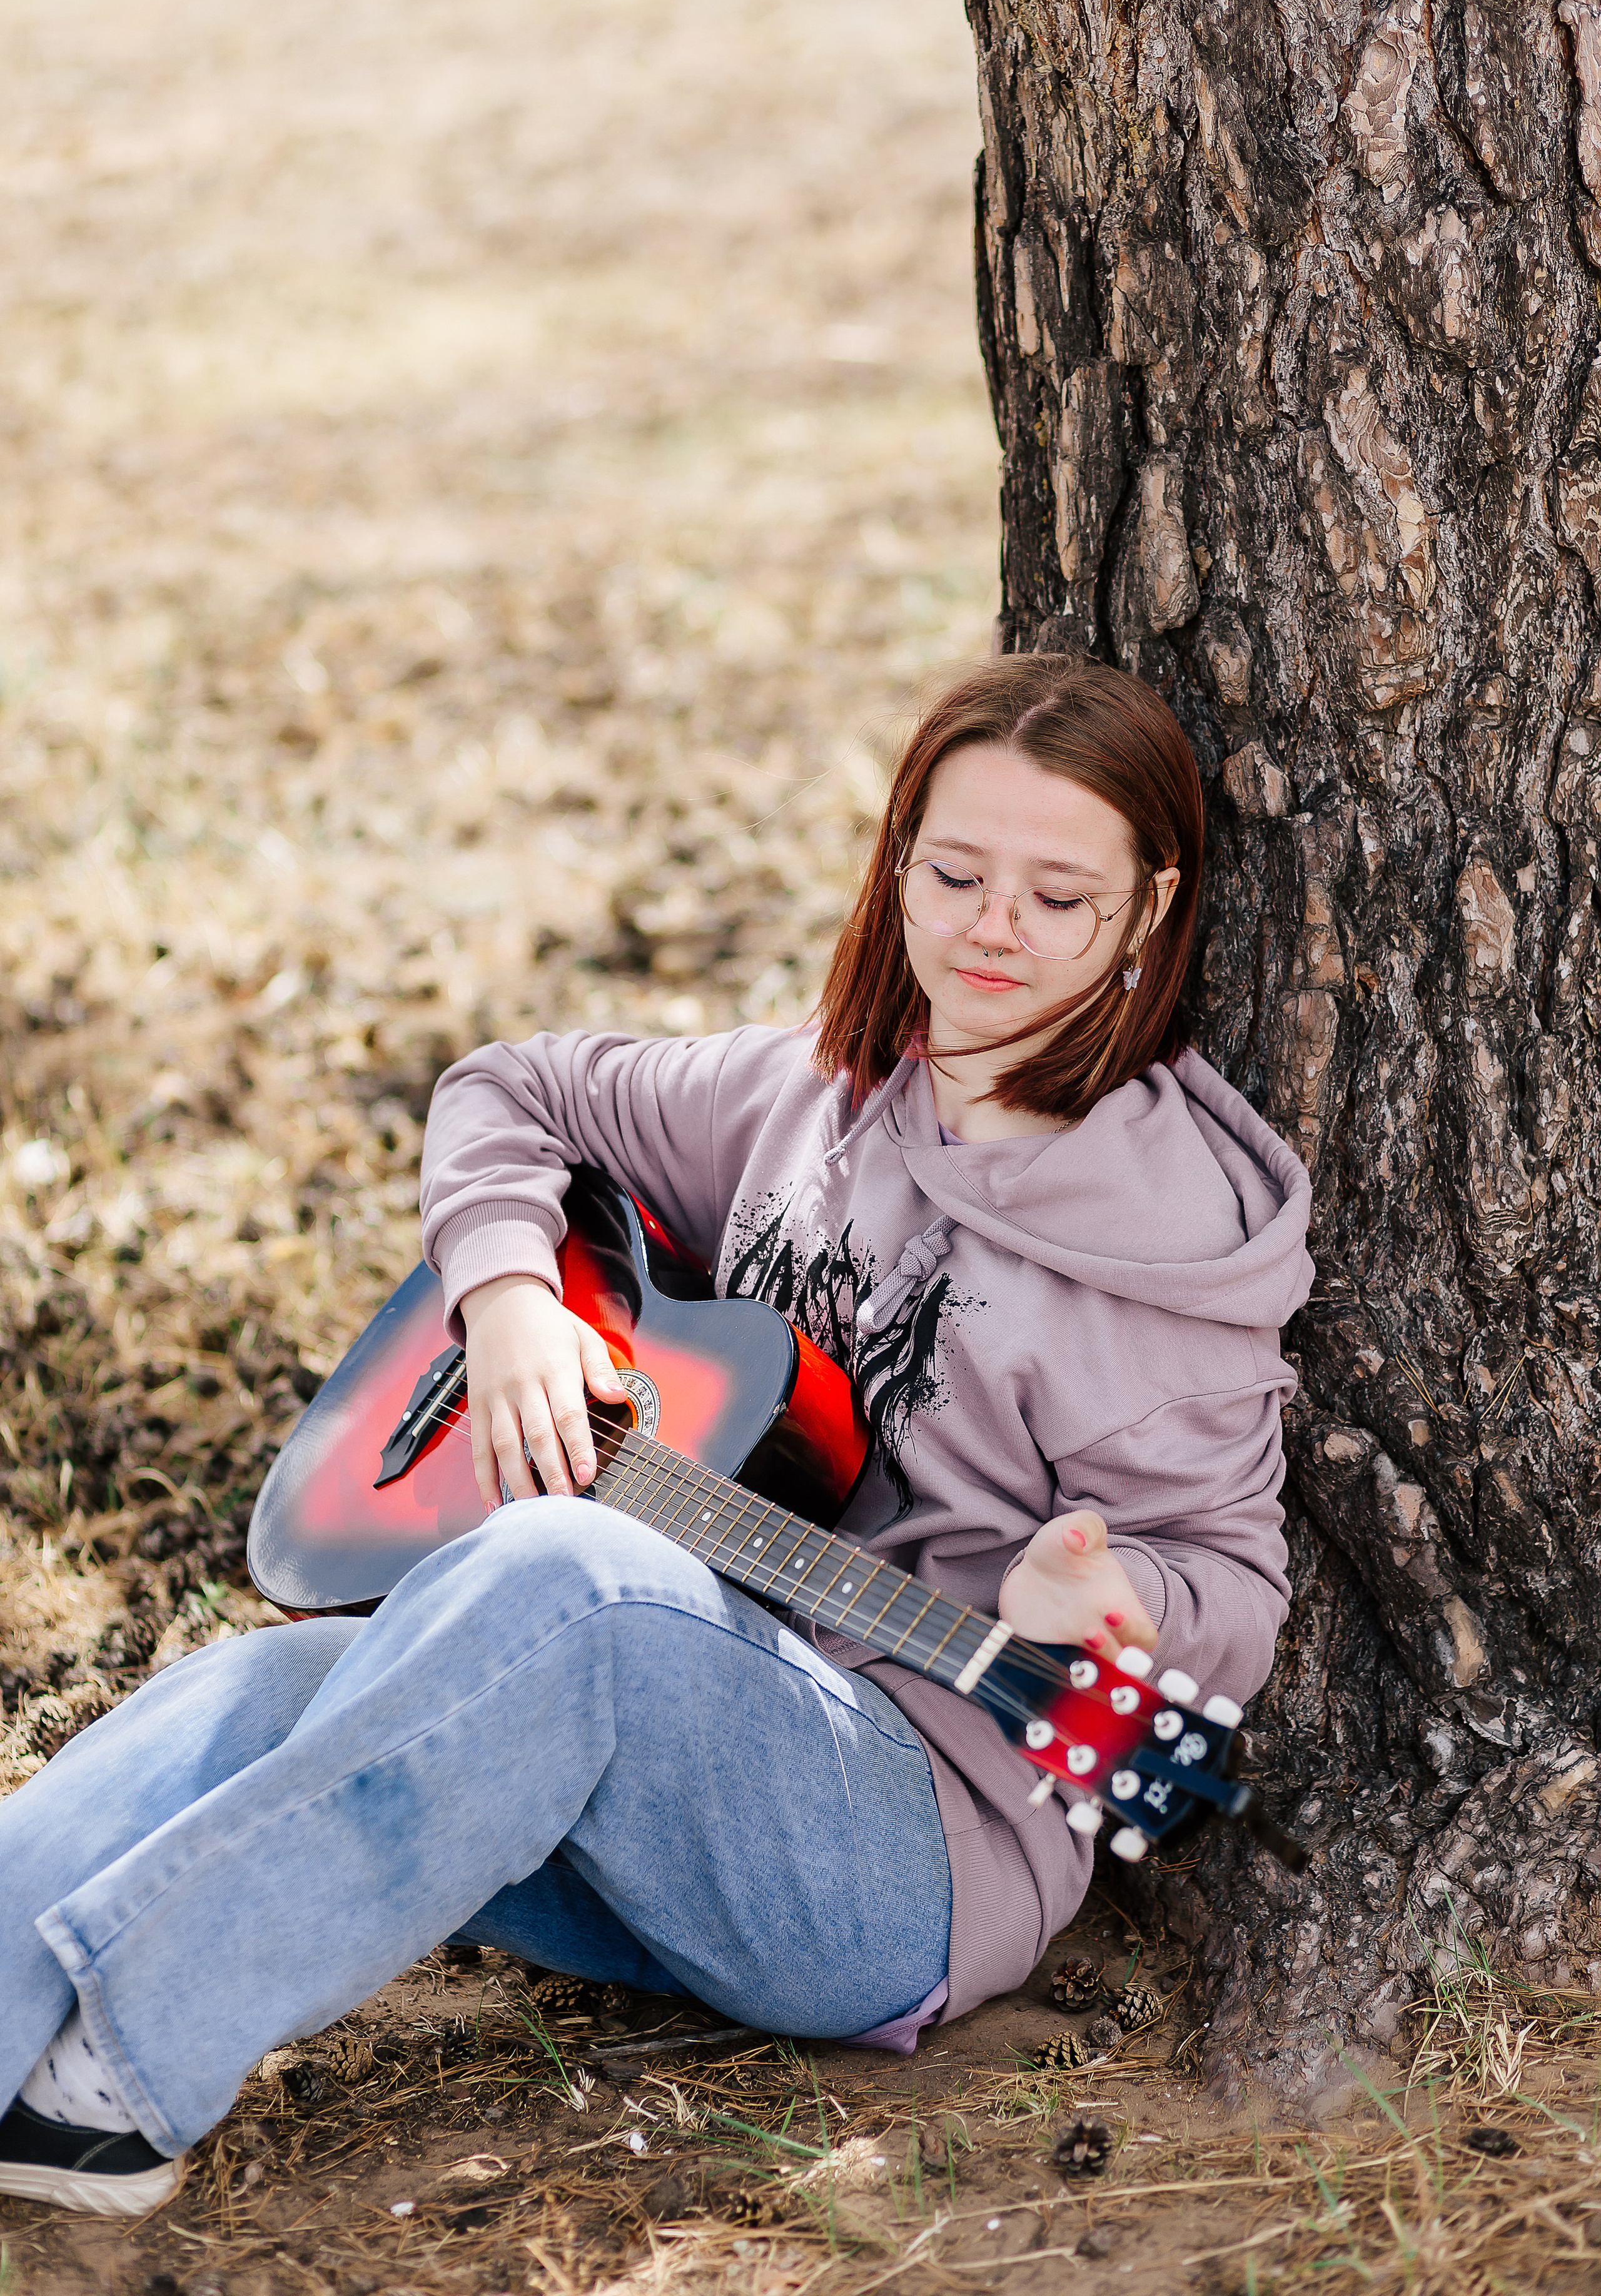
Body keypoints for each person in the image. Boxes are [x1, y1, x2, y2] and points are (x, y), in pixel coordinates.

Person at [0, 655, 1311, 2218]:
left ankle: (122, 2089)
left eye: (1055, 896)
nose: (990, 930)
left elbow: (1229, 1589)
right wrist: (507, 1304)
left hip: (896, 1871)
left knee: (573, 1576)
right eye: (955, 874)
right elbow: (508, 1090)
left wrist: (1123, 1607)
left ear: (1148, 913)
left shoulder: (1160, 1249)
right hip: (647, 1775)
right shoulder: (809, 1097)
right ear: (898, 861)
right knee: (268, 1683)